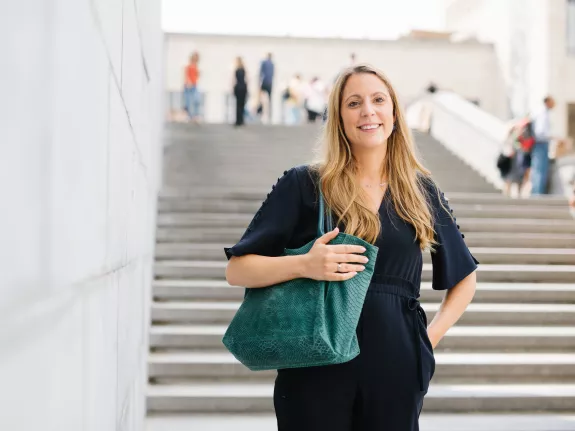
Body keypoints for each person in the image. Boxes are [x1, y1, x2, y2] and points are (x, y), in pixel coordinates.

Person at [224, 64, 478, 430]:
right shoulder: (305, 184)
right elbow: (237, 270)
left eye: (378, 100)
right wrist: (304, 265)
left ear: (394, 112)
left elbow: (465, 280)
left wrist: (425, 341)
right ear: (339, 117)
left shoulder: (422, 193)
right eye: (354, 103)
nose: (368, 112)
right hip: (315, 365)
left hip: (397, 365)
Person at [530, 96, 555, 195]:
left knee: (538, 169)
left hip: (540, 144)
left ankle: (537, 192)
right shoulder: (543, 114)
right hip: (541, 144)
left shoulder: (541, 113)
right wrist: (552, 137)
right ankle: (537, 193)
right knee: (540, 169)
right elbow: (540, 132)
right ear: (548, 101)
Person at [183, 52, 200, 122]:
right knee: (188, 101)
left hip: (194, 85)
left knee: (196, 100)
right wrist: (188, 82)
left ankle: (195, 115)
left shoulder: (196, 66)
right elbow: (186, 75)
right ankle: (189, 116)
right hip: (188, 85)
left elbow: (197, 76)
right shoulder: (189, 66)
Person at [259, 53, 275, 123]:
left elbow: (261, 73)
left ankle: (262, 112)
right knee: (269, 99)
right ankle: (269, 114)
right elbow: (273, 74)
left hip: (264, 82)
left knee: (262, 98)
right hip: (269, 83)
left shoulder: (264, 63)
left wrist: (259, 83)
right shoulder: (272, 64)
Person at [232, 57, 248, 127]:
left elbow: (234, 80)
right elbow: (247, 79)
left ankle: (238, 121)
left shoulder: (237, 70)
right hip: (243, 88)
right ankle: (241, 120)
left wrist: (233, 88)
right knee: (242, 105)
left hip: (238, 87)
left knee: (238, 105)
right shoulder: (243, 70)